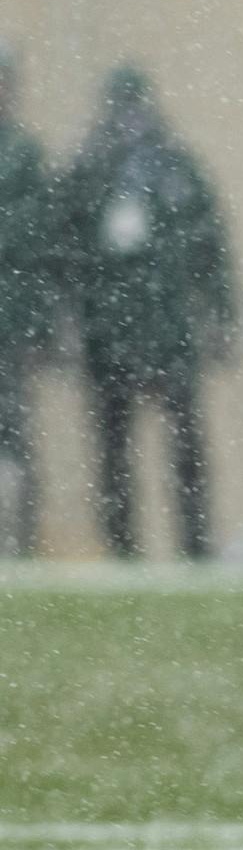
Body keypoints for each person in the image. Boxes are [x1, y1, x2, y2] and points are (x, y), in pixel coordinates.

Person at [62, 67, 234, 560]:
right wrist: (68, 323)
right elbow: (65, 254)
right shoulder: (90, 170)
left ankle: (195, 546)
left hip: (169, 330)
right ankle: (124, 546)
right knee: (115, 448)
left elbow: (211, 249)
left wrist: (221, 315)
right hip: (111, 332)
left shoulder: (176, 168)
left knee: (184, 449)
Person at [0, 43, 54, 556]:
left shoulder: (25, 154)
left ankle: (19, 541)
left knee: (13, 434)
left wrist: (41, 328)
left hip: (10, 323)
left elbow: (41, 249)